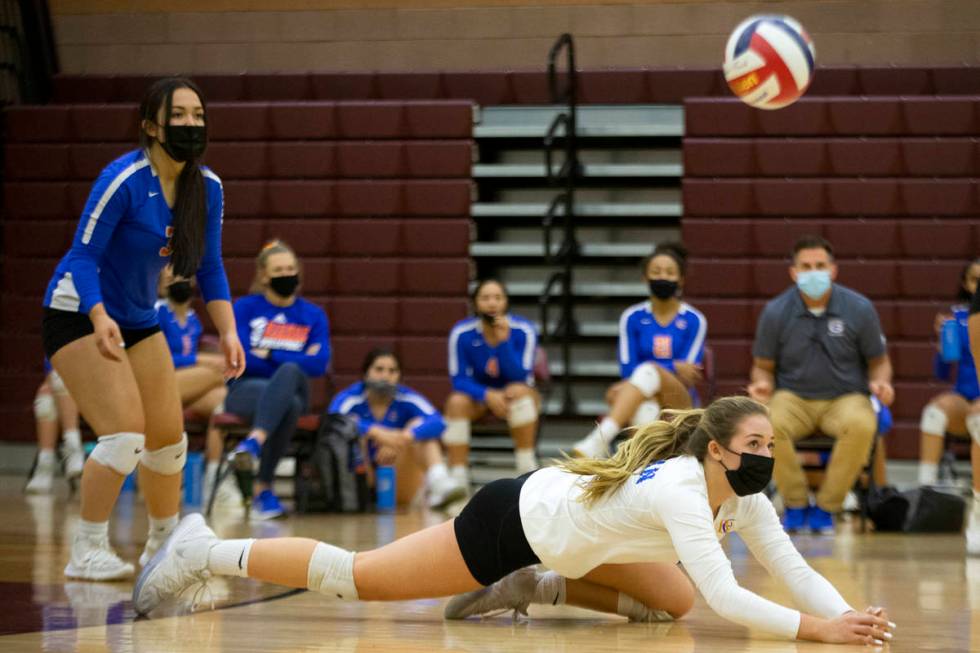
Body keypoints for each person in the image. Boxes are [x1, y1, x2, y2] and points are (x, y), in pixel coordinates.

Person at [133, 396, 896, 648]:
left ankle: (539, 585)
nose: (768, 454)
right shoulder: (680, 491)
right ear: (720, 449)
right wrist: (816, 632)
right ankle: (206, 547)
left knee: (674, 601)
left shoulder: (743, 492)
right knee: (357, 579)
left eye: (772, 443)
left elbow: (789, 567)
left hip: (570, 534)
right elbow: (734, 595)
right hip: (511, 518)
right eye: (756, 444)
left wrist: (848, 618)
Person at [41, 76, 244, 580]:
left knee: (168, 438)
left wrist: (231, 331)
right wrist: (97, 313)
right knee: (124, 434)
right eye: (179, 115)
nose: (191, 124)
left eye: (198, 115)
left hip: (136, 316)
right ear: (151, 126)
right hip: (76, 311)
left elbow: (211, 267)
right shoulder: (123, 179)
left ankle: (165, 544)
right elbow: (81, 257)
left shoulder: (208, 187)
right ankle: (86, 550)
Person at [747, 235, 893, 535]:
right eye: (806, 266)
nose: (813, 272)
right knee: (766, 422)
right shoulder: (775, 312)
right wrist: (761, 385)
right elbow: (763, 367)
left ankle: (827, 507)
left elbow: (879, 361)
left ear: (833, 270)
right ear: (793, 272)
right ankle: (796, 503)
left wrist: (881, 382)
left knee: (863, 423)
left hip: (845, 397)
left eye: (820, 265)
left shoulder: (860, 308)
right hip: (793, 397)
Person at [226, 240, 330, 520]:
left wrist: (270, 353)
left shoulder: (313, 315)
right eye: (278, 269)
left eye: (290, 268)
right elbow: (242, 357)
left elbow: (320, 363)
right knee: (290, 402)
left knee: (291, 374)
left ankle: (253, 444)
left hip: (291, 387)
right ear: (263, 275)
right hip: (245, 390)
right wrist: (295, 357)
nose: (286, 274)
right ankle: (263, 490)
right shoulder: (245, 308)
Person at [572, 242, 706, 458]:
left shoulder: (694, 319)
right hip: (643, 396)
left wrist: (656, 370)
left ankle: (601, 438)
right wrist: (672, 365)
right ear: (645, 278)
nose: (662, 277)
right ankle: (639, 469)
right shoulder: (632, 317)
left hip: (680, 402)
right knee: (645, 411)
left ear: (681, 279)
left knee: (642, 376)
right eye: (656, 272)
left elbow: (687, 376)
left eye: (670, 272)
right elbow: (627, 369)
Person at [329, 348, 468, 510]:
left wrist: (403, 437)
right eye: (379, 369)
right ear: (366, 373)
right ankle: (358, 497)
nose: (385, 376)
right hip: (360, 477)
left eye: (392, 371)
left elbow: (438, 422)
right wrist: (376, 432)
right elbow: (332, 421)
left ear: (399, 376)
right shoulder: (351, 398)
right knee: (352, 428)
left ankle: (440, 482)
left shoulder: (406, 397)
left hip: (396, 474)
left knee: (418, 426)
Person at [443, 279, 540, 485]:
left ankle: (526, 467)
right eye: (485, 298)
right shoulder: (461, 333)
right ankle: (458, 476)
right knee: (456, 402)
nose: (492, 303)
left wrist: (504, 342)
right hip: (477, 398)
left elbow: (522, 376)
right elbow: (458, 380)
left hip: (512, 396)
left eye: (497, 297)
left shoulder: (524, 330)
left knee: (520, 391)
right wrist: (487, 395)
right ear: (475, 303)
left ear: (506, 302)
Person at [155, 267, 233, 507]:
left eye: (183, 277)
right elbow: (159, 358)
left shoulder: (192, 319)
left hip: (188, 388)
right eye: (172, 278)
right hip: (159, 383)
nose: (179, 281)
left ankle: (213, 480)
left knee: (222, 402)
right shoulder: (156, 312)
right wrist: (202, 360)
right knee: (219, 371)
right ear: (161, 284)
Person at [918, 259, 980, 489]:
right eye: (976, 280)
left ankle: (977, 497)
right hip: (966, 399)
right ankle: (927, 491)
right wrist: (942, 347)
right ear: (966, 284)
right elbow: (942, 374)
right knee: (934, 413)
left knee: (978, 414)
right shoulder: (956, 320)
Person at [25, 361, 84, 494]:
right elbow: (54, 362)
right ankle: (45, 464)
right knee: (45, 397)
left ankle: (72, 448)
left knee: (62, 379)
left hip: (100, 385)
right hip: (68, 386)